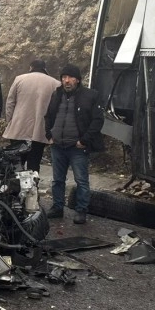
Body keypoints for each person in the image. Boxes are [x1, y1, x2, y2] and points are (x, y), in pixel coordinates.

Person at [44, 64, 104, 224]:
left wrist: (84, 140)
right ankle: (57, 207)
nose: (66, 80)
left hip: (77, 147)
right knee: (57, 180)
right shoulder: (57, 94)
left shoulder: (90, 95)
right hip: (57, 145)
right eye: (64, 77)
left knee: (81, 180)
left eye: (70, 77)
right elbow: (48, 116)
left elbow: (98, 120)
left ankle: (81, 210)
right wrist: (49, 135)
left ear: (77, 80)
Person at [2, 59, 61, 172]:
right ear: (45, 68)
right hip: (40, 129)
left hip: (18, 127)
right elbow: (55, 109)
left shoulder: (19, 79)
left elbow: (10, 102)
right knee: (34, 162)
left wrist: (10, 121)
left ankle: (16, 182)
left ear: (31, 67)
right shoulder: (55, 83)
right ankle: (33, 181)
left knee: (17, 162)